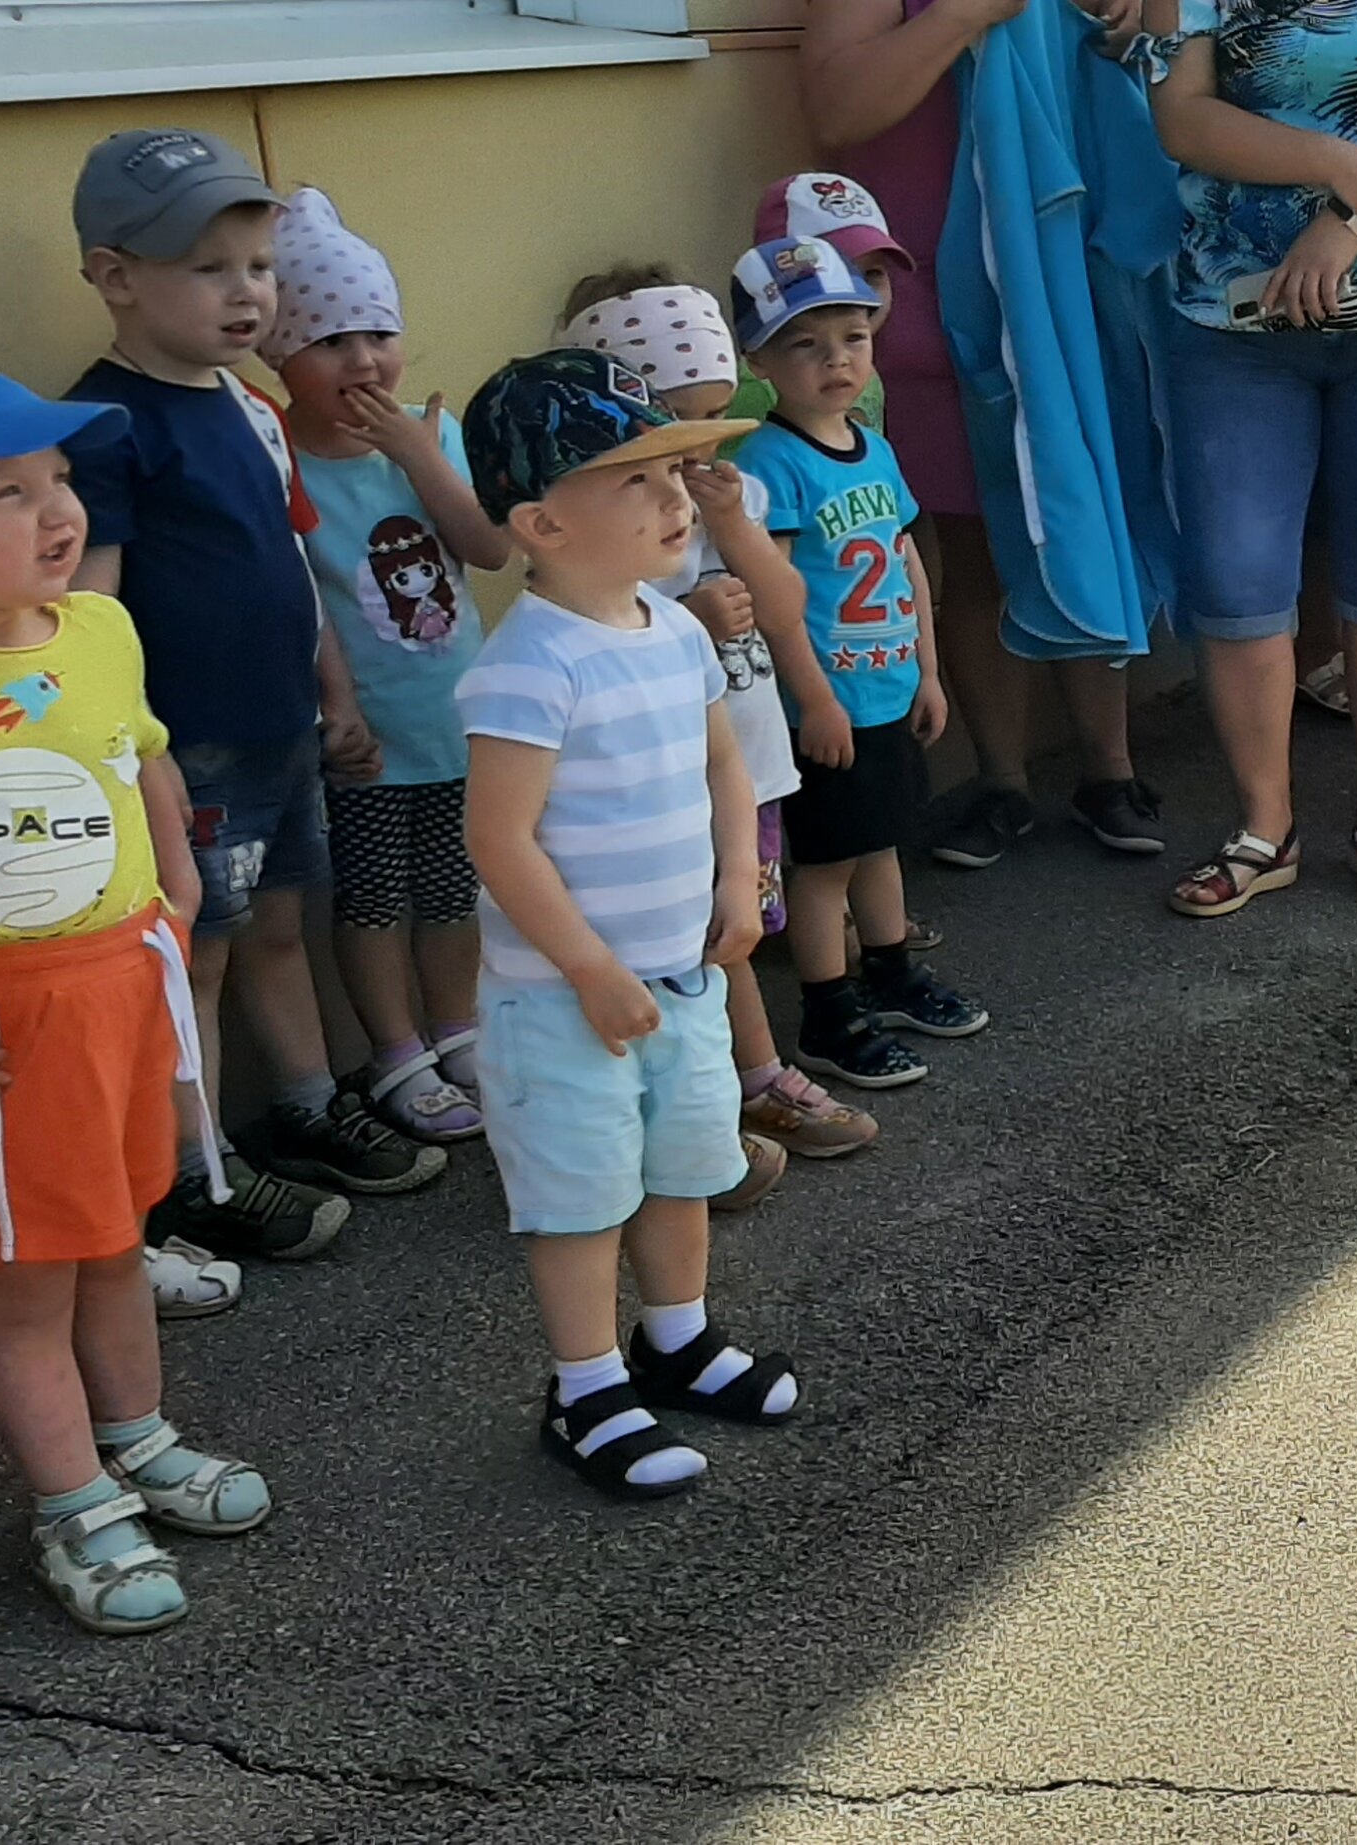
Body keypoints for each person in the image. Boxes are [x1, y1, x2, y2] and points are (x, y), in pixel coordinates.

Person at [68, 129, 441, 1262]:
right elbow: (94, 614)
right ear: (115, 274)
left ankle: (303, 1106)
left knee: (284, 928)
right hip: (191, 750)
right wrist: (140, 756)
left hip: (284, 729)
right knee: (201, 955)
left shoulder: (252, 409)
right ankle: (195, 1173)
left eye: (259, 267)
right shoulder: (103, 426)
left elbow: (293, 572)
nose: (246, 295)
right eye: (209, 268)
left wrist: (337, 694)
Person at [452, 349, 797, 1499]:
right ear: (543, 524)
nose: (674, 499)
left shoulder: (675, 628)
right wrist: (590, 968)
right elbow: (498, 841)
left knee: (682, 1168)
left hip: (684, 979)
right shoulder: (528, 667)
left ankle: (679, 1337)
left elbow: (724, 765)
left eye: (675, 474)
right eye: (639, 481)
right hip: (565, 1002)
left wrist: (740, 880)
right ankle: (585, 1383)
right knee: (582, 1192)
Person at [0, 367, 279, 1634]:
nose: (57, 512)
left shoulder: (100, 627)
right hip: (8, 1027)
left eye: (59, 482)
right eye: (9, 491)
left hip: (121, 987)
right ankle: (70, 1502)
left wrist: (174, 889)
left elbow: (141, 758)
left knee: (116, 1238)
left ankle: (137, 1440)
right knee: (26, 1280)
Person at [1131, 0, 1357, 918]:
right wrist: (1338, 160)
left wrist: (1346, 219)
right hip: (1233, 321)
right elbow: (1182, 118)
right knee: (1236, 578)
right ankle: (1266, 829)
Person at [797, 5, 1160, 873]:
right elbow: (837, 108)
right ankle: (1001, 781)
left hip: (1063, 277)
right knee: (970, 543)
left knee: (1078, 507)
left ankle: (1111, 772)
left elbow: (1153, 53)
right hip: (932, 293)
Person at [561, 270, 882, 1163]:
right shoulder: (607, 527)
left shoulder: (731, 499)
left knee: (731, 934)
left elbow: (785, 602)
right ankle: (746, 1083)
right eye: (672, 440)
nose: (693, 467)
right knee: (701, 942)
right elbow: (596, 633)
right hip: (664, 783)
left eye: (714, 428)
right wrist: (686, 619)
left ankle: (721, 1093)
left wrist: (732, 522)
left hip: (746, 769)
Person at [259, 188, 507, 1148]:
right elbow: (297, 595)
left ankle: (459, 1030)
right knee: (370, 898)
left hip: (454, 716)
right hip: (364, 733)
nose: (362, 359)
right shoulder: (277, 452)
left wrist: (417, 450)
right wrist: (336, 709)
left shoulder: (428, 432)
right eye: (329, 340)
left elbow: (486, 547)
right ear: (277, 355)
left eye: (377, 333)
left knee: (452, 891)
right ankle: (396, 1050)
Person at [727, 238, 987, 1088]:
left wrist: (931, 669)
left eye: (853, 337)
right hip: (827, 701)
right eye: (806, 344)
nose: (836, 360)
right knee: (828, 861)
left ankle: (891, 971)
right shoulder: (768, 462)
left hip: (887, 684)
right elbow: (773, 594)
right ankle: (828, 1012)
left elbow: (904, 556)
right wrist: (814, 700)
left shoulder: (870, 444)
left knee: (882, 845)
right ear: (758, 358)